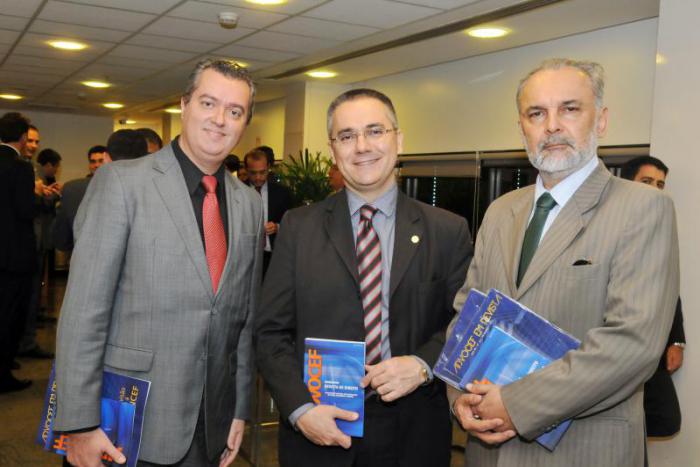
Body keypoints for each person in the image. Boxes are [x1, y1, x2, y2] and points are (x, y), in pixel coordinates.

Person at [448, 58, 679, 467]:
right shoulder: (501, 211)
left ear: (601, 120)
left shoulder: (643, 208)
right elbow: (468, 314)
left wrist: (514, 403)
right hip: (488, 449)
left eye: (569, 109)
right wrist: (459, 396)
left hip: (583, 450)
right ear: (522, 127)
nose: (552, 125)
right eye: (536, 113)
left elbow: (632, 344)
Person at [54, 58, 263, 467]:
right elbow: (84, 313)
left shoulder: (249, 204)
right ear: (184, 105)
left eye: (235, 111)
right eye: (208, 103)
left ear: (244, 123)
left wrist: (239, 409)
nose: (220, 120)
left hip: (211, 423)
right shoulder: (122, 184)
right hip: (125, 424)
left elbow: (244, 320)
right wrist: (79, 423)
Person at [255, 88, 473, 466]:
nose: (362, 146)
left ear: (398, 140)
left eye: (375, 131)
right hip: (320, 429)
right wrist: (300, 409)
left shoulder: (447, 230)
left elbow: (465, 323)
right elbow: (270, 332)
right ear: (333, 150)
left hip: (415, 433)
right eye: (347, 136)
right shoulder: (299, 227)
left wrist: (422, 365)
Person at [620, 155, 685, 437]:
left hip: (651, 343)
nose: (655, 189)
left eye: (660, 184)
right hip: (613, 342)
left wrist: (676, 340)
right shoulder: (609, 224)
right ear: (627, 184)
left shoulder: (659, 226)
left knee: (666, 419)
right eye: (647, 181)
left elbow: (670, 286)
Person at [0, 112, 36, 392]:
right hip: (14, 255)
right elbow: (25, 211)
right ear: (23, 137)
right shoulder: (20, 167)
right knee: (10, 315)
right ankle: (3, 373)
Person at [51, 145, 110, 252]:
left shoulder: (117, 187)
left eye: (101, 161)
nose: (97, 165)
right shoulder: (74, 188)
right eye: (93, 161)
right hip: (80, 247)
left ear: (108, 161)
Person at [244, 147, 292, 275]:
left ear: (268, 168)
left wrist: (277, 227)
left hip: (273, 257)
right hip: (245, 257)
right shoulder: (236, 192)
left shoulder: (282, 193)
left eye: (262, 172)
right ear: (246, 170)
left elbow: (292, 224)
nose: (258, 177)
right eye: (253, 173)